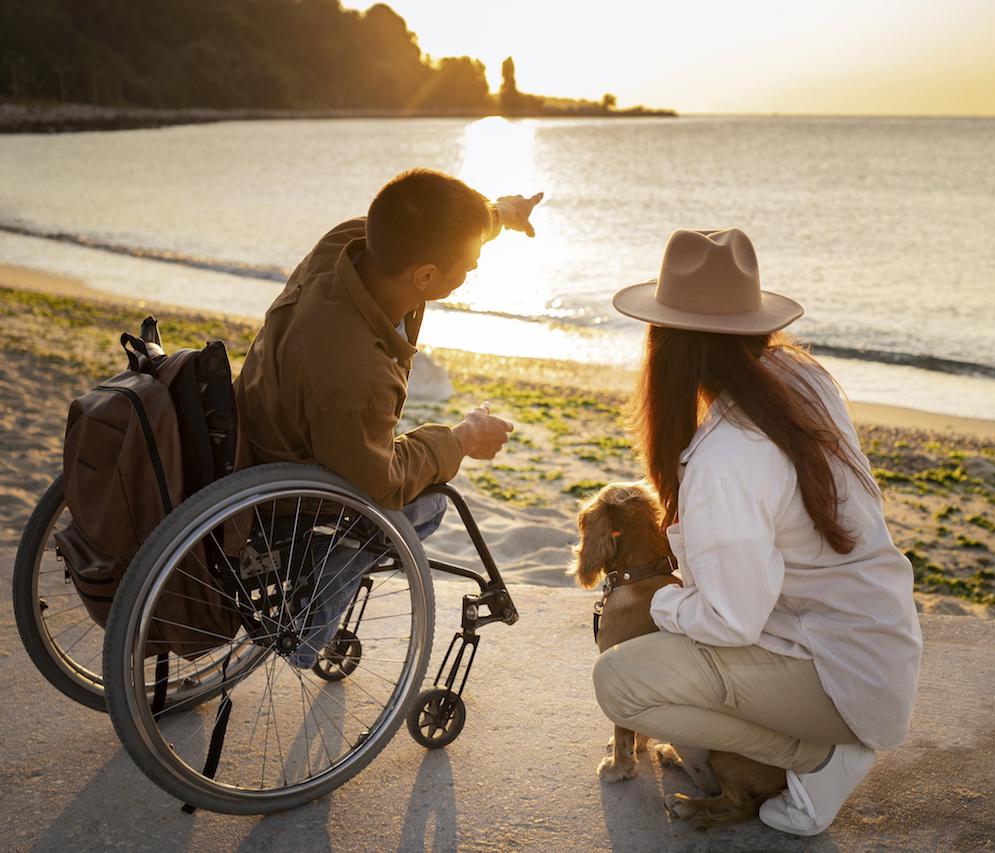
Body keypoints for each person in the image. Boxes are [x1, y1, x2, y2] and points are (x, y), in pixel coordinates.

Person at [593, 228, 923, 836]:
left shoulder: (726, 457)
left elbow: (729, 622)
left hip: (835, 674)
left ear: (666, 344)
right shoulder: (799, 376)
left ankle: (817, 758)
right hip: (876, 646)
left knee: (619, 682)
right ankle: (802, 746)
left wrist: (660, 600)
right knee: (664, 655)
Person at [234, 170, 540, 660]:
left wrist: (502, 213)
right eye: (468, 266)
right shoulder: (355, 374)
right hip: (288, 490)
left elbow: (445, 218)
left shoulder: (352, 241)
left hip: (268, 419)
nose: (474, 270)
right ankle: (306, 632)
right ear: (425, 277)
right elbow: (385, 483)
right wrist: (461, 438)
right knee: (429, 502)